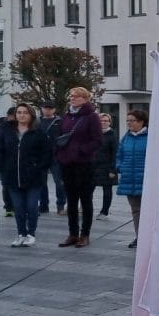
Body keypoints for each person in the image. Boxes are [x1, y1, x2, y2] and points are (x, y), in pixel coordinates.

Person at [0, 103, 53, 247]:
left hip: (33, 178)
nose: (22, 115)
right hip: (12, 177)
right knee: (18, 208)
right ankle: (21, 233)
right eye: (19, 112)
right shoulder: (7, 131)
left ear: (31, 115)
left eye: (25, 112)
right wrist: (2, 167)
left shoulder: (38, 132)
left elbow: (47, 153)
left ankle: (31, 233)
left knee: (32, 207)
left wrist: (39, 168)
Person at [56, 87, 103, 248]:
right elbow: (60, 136)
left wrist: (81, 150)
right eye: (71, 95)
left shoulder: (92, 117)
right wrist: (62, 155)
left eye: (76, 96)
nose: (72, 98)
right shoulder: (66, 116)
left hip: (84, 164)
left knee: (85, 199)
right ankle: (72, 233)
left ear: (85, 98)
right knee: (71, 200)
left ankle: (85, 234)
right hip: (67, 163)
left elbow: (97, 140)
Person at [116, 109, 148, 249]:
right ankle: (139, 237)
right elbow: (119, 154)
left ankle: (148, 237)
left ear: (141, 122)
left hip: (145, 180)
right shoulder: (126, 137)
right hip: (129, 179)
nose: (129, 123)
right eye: (128, 120)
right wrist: (119, 167)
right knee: (136, 210)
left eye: (132, 120)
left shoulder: (151, 136)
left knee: (148, 211)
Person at [38, 102, 66, 215]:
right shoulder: (37, 122)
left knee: (59, 182)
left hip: (56, 155)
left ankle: (60, 205)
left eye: (50, 108)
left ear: (54, 109)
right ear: (41, 108)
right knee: (41, 182)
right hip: (41, 155)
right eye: (46, 108)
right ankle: (43, 205)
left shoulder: (60, 122)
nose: (48, 110)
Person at [93, 113, 118, 220]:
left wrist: (113, 169)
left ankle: (104, 212)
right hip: (93, 167)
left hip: (107, 167)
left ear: (110, 122)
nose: (103, 122)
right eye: (101, 120)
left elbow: (115, 154)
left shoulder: (112, 135)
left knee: (107, 190)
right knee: (88, 189)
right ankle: (87, 209)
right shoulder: (93, 134)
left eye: (106, 121)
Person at [0, 107, 17, 217]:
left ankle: (17, 206)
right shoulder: (2, 127)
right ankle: (9, 207)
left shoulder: (24, 126)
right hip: (5, 163)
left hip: (20, 162)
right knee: (7, 186)